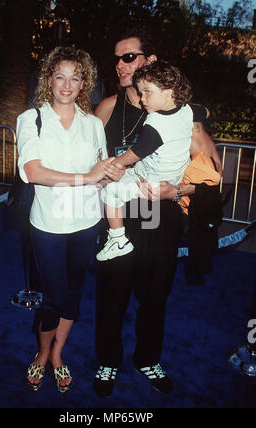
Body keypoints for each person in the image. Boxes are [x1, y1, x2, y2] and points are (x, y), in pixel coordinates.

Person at [93, 28, 222, 397]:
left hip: (163, 216)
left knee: (155, 294)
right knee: (112, 293)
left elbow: (213, 177)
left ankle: (148, 358)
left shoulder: (183, 117)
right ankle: (107, 360)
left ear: (150, 62)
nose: (120, 64)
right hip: (121, 216)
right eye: (117, 57)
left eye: (129, 56)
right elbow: (89, 163)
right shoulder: (107, 107)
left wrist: (177, 189)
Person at [17, 46, 121, 393]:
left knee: (74, 293)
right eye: (59, 76)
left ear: (84, 82)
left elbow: (102, 172)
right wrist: (87, 178)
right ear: (49, 79)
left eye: (75, 77)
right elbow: (34, 172)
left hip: (87, 222)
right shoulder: (31, 119)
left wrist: (126, 179)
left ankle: (58, 353)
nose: (67, 84)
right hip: (47, 225)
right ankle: (42, 351)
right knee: (53, 297)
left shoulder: (93, 124)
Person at [96, 61, 209, 261]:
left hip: (152, 181)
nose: (142, 99)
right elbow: (206, 112)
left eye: (147, 92)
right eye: (140, 93)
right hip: (174, 177)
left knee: (110, 192)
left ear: (169, 92)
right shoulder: (187, 111)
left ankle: (117, 239)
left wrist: (117, 162)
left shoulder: (155, 122)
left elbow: (137, 152)